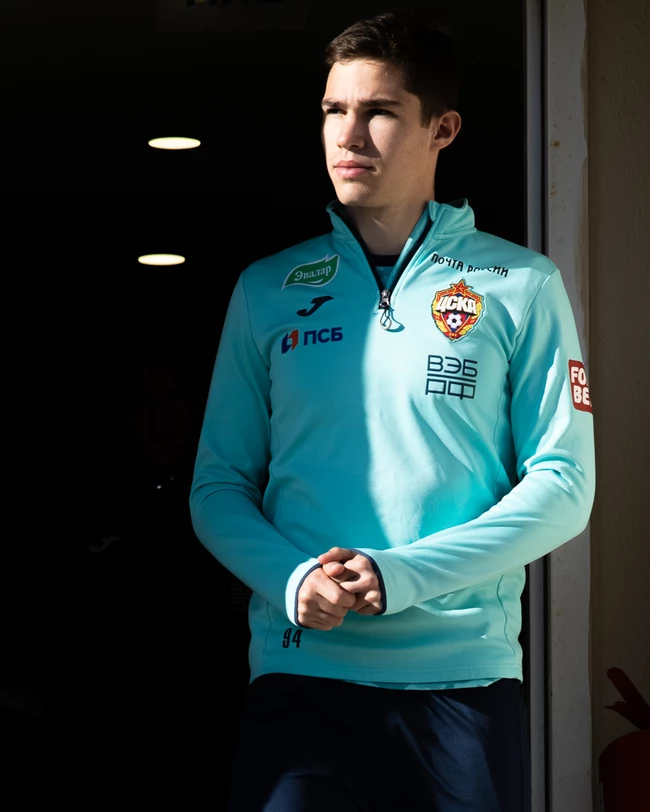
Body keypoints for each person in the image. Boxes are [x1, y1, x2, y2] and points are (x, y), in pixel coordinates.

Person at [190, 11, 596, 812]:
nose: (348, 135)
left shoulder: (524, 284)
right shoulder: (266, 288)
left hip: (463, 682)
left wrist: (403, 575)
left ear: (442, 128)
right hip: (301, 675)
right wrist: (292, 579)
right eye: (333, 110)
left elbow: (564, 485)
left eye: (378, 111)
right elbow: (217, 485)